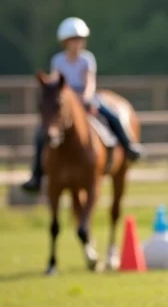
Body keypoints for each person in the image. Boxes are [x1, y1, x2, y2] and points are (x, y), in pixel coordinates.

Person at [21, 17, 143, 192]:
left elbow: (90, 82)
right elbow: (56, 83)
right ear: (65, 42)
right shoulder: (58, 61)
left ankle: (128, 146)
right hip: (66, 102)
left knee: (111, 115)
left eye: (79, 40)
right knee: (41, 133)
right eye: (73, 41)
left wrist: (85, 98)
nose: (76, 44)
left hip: (86, 98)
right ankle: (36, 174)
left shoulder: (87, 59)